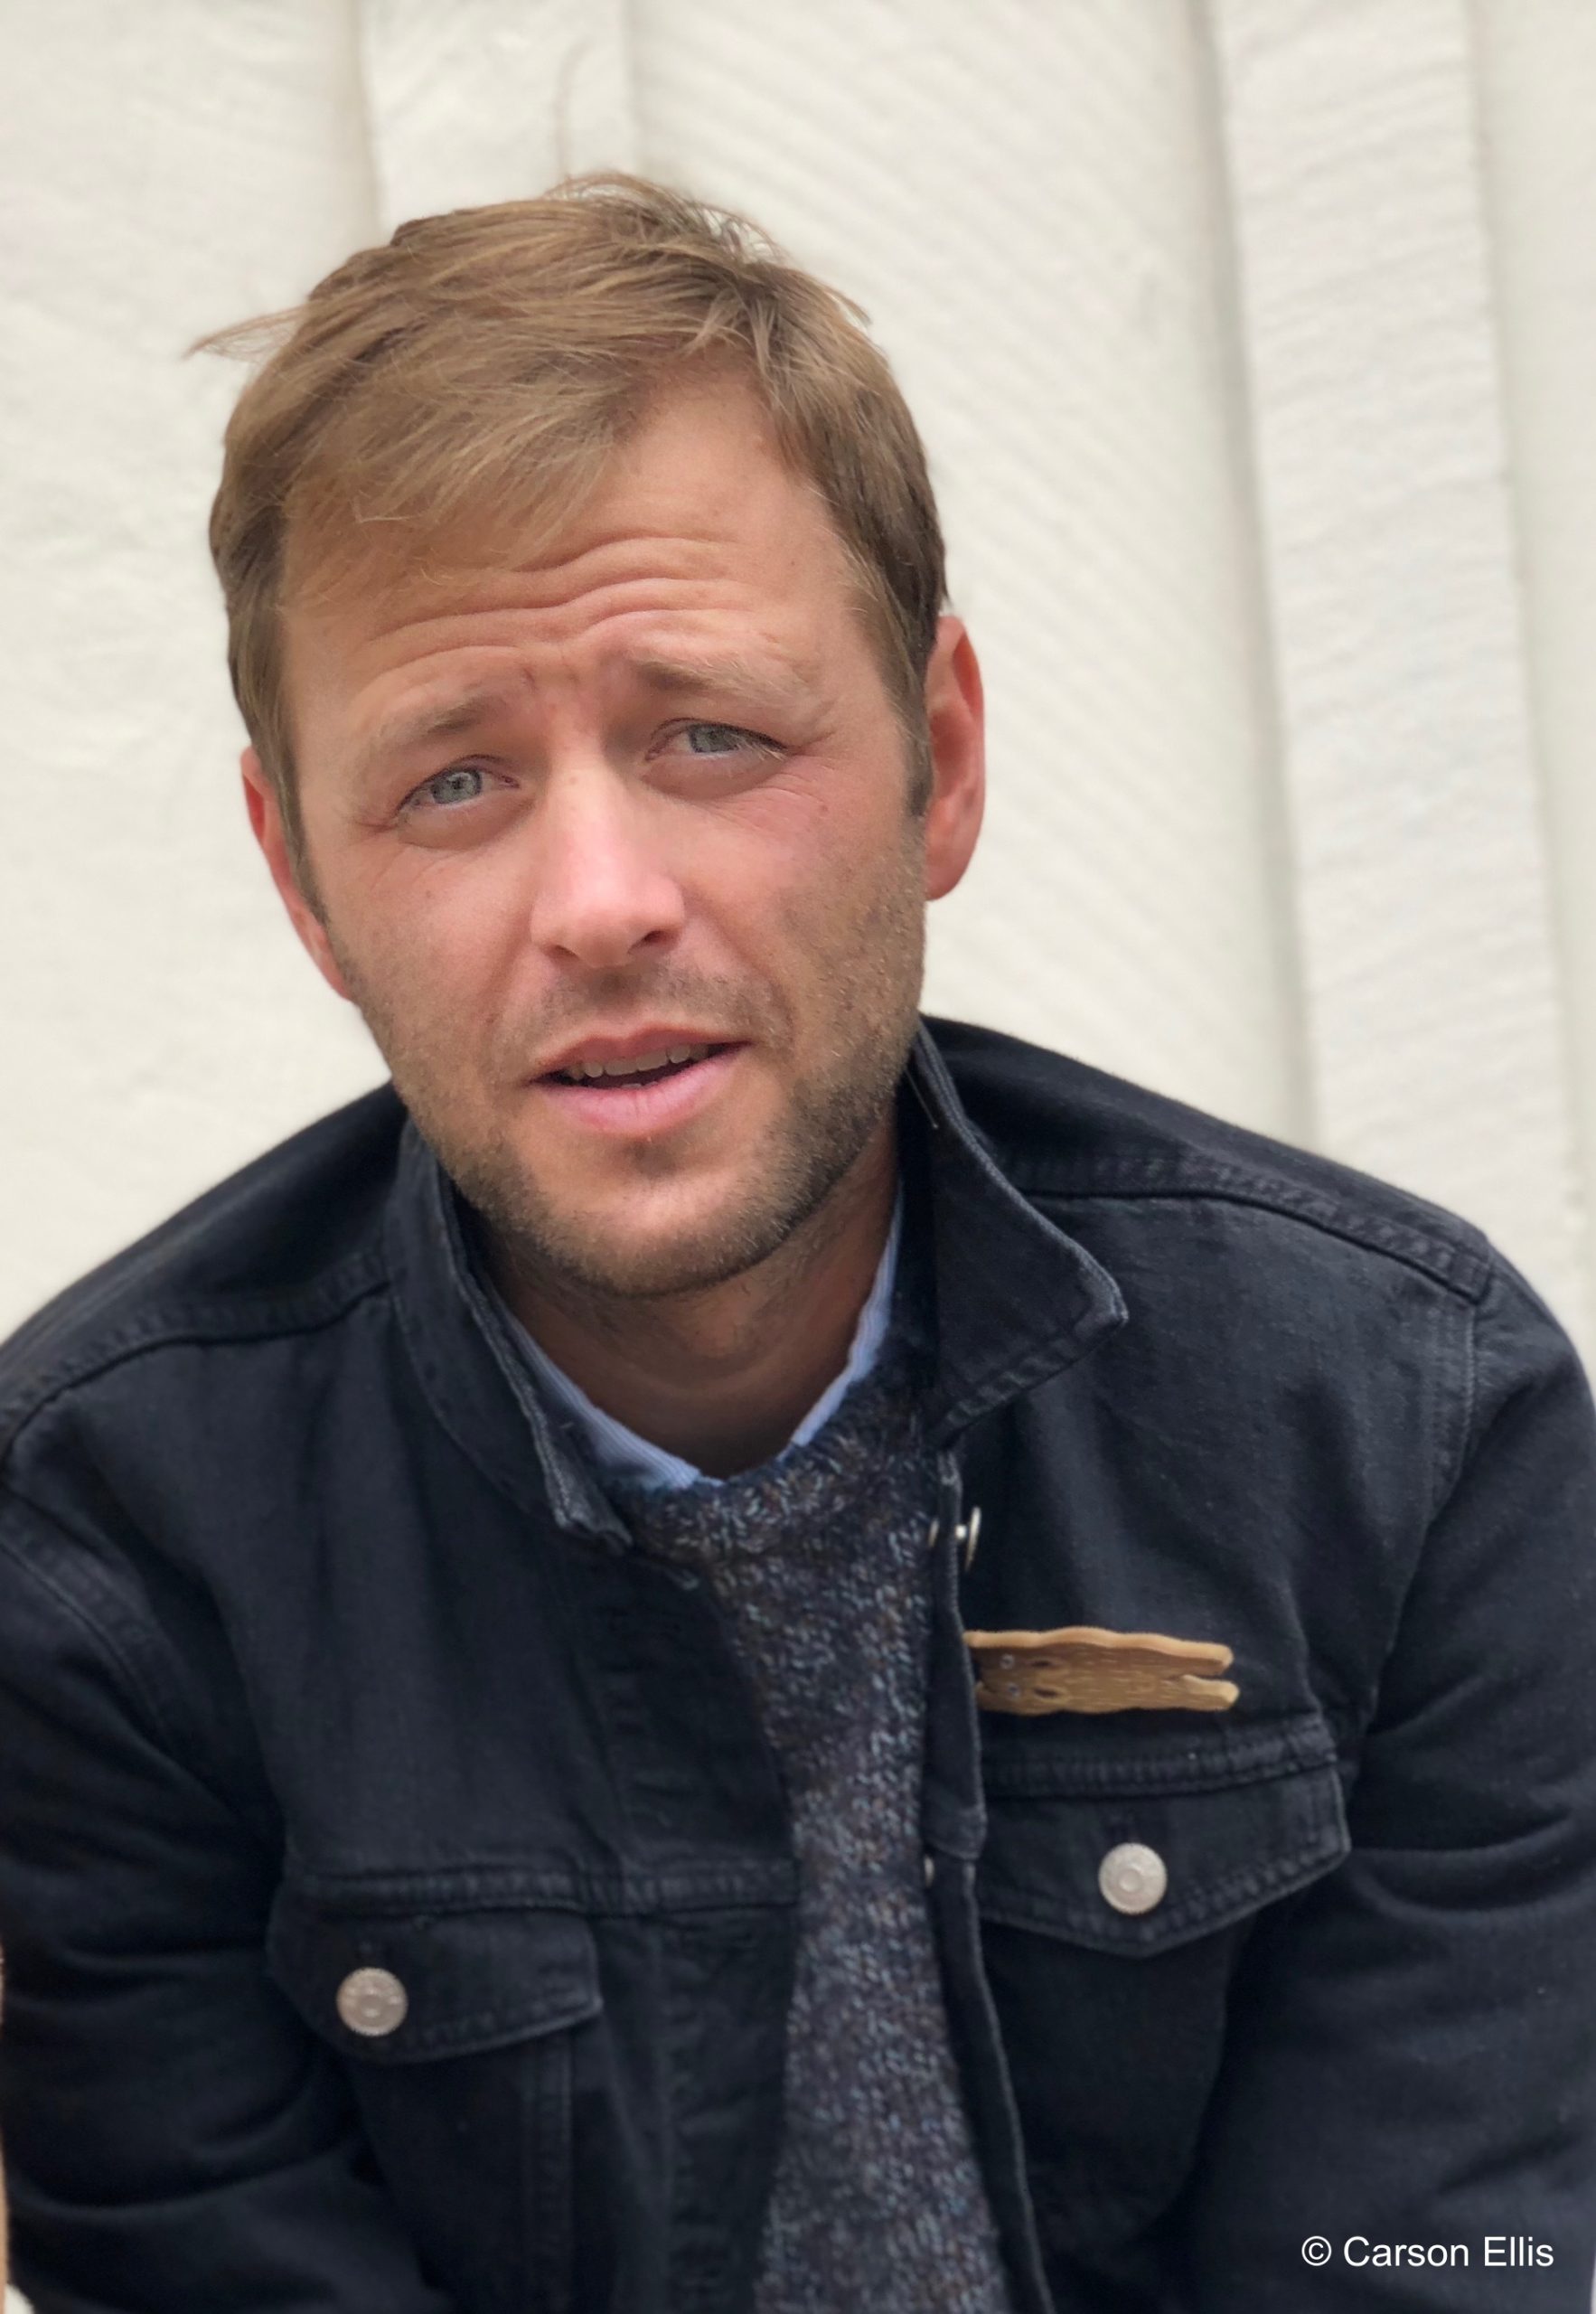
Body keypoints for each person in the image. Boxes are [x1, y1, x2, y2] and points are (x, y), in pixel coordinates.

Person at [0, 171, 1593, 2314]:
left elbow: (1425, 2256)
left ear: (941, 758)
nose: (601, 901)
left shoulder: (1401, 1425)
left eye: (710, 734)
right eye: (454, 781)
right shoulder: (104, 1555)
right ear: (303, 882)